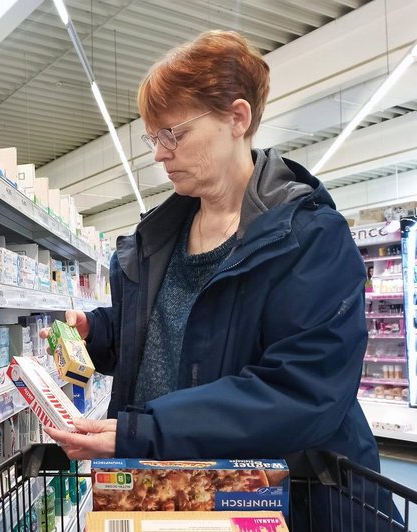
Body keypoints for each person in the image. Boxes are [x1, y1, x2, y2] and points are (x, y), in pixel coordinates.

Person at [43, 30, 390, 530]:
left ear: (237, 117)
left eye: (174, 134)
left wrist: (143, 431)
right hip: (166, 496)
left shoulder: (310, 240)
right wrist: (97, 332)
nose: (160, 154)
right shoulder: (158, 238)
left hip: (280, 503)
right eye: (153, 138)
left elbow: (300, 391)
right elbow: (163, 333)